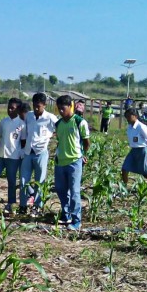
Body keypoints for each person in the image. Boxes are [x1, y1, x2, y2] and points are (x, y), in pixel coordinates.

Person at [53, 95, 90, 231]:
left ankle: (76, 220)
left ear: (70, 106)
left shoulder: (80, 122)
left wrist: (83, 155)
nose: (61, 111)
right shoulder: (58, 124)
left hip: (74, 161)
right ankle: (66, 213)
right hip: (60, 161)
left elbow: (86, 143)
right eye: (59, 109)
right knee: (60, 189)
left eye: (63, 108)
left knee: (74, 191)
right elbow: (60, 141)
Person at [19, 93, 57, 217]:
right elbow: (25, 131)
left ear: (44, 105)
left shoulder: (50, 118)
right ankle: (23, 205)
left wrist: (50, 137)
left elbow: (59, 129)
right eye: (34, 106)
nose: (36, 109)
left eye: (38, 106)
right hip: (28, 152)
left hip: (41, 152)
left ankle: (37, 207)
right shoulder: (29, 116)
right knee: (24, 180)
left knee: (40, 181)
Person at [0, 98, 24, 215]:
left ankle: (10, 204)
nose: (9, 110)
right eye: (8, 107)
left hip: (13, 156)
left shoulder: (22, 123)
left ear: (18, 109)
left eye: (12, 108)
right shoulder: (4, 121)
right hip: (0, 155)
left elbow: (23, 141)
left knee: (11, 181)